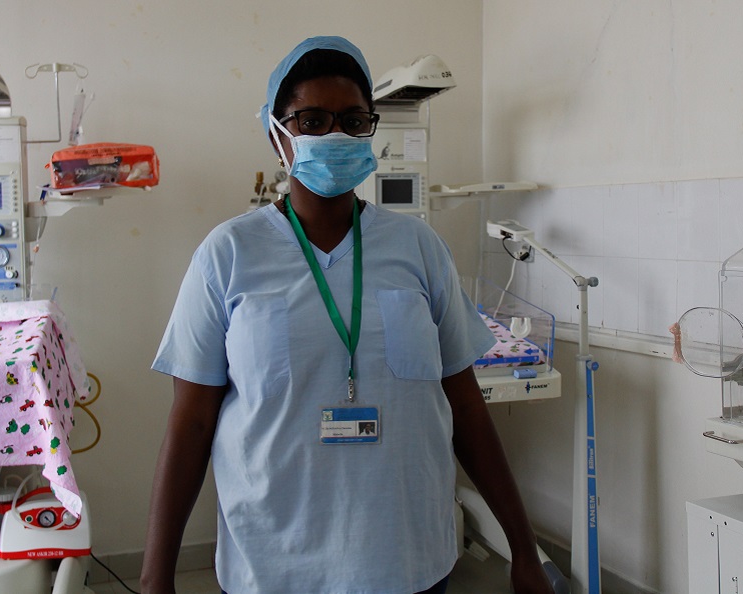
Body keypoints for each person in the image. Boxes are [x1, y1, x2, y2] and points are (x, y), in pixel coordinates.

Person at [141, 36, 553, 594]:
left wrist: (523, 548)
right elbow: (190, 424)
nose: (334, 135)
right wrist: (155, 576)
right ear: (276, 136)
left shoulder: (418, 247)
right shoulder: (229, 254)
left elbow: (465, 407)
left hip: (408, 560)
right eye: (311, 120)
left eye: (354, 121)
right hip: (274, 565)